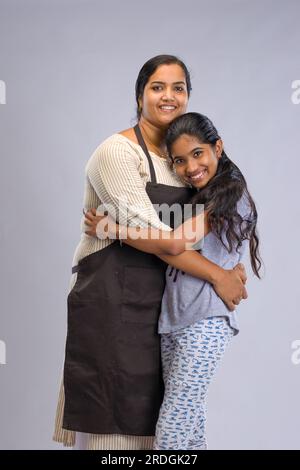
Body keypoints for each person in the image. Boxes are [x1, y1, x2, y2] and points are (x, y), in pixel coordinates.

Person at [53, 55, 247, 451]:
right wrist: (218, 274)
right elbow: (158, 235)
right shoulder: (118, 152)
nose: (169, 96)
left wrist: (230, 267)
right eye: (158, 87)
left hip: (164, 310)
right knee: (114, 431)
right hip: (114, 298)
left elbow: (203, 233)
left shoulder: (184, 161)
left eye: (179, 88)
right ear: (140, 95)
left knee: (164, 425)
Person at [85, 112, 261, 450]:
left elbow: (171, 244)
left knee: (172, 429)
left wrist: (112, 229)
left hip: (206, 321)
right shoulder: (198, 197)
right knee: (189, 427)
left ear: (217, 148)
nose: (190, 167)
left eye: (198, 154)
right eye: (179, 161)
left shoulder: (230, 192)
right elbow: (169, 247)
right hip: (175, 322)